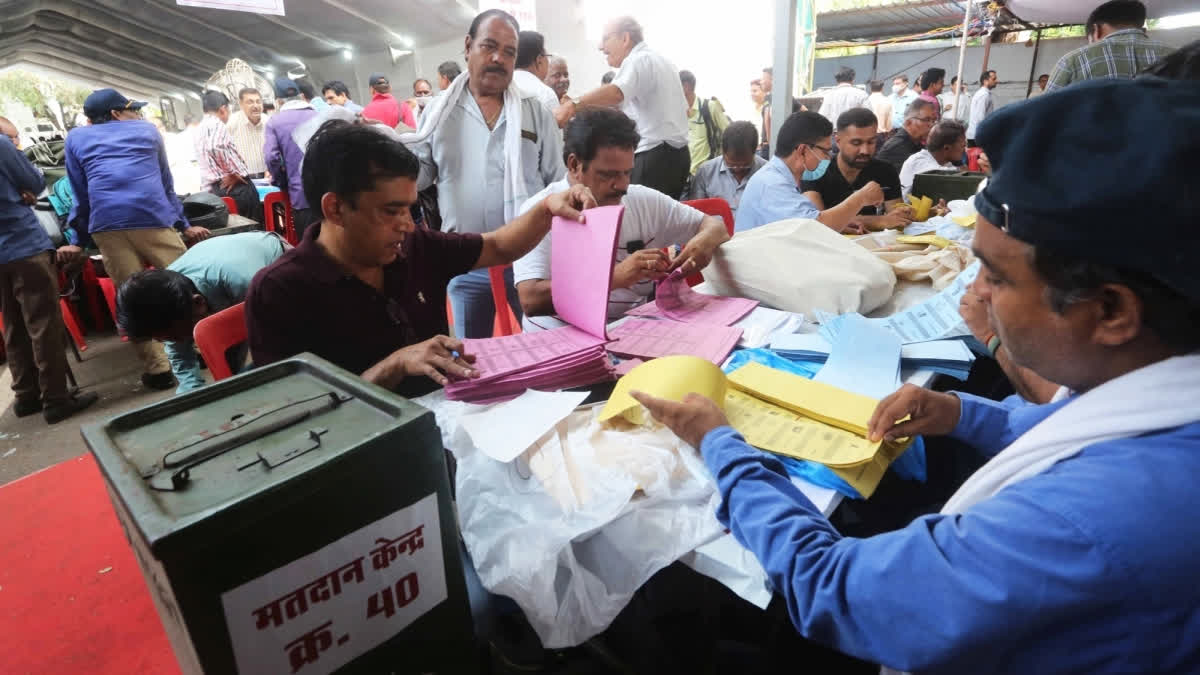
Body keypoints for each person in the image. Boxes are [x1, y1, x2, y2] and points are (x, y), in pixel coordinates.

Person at [630, 77, 1200, 675]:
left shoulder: (1085, 522)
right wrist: (960, 412)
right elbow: (1066, 425)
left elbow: (833, 587)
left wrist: (720, 444)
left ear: (1110, 312)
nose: (974, 293)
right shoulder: (1160, 399)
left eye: (997, 278)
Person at [245, 121, 594, 398]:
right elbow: (300, 418)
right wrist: (395, 365)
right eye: (391, 211)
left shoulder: (415, 248)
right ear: (335, 208)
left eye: (410, 209)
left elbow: (499, 247)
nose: (407, 225)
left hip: (446, 422)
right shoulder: (280, 291)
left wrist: (548, 209)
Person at [405, 9, 564, 339]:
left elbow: (556, 181)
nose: (498, 58)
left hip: (528, 259)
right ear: (468, 46)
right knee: (470, 361)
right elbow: (418, 179)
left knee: (546, 347)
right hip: (465, 261)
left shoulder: (534, 112)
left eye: (509, 52)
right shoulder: (438, 112)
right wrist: (390, 149)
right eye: (489, 46)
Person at [513, 107, 729, 326]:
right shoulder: (543, 210)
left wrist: (704, 242)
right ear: (575, 165)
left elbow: (715, 226)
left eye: (627, 172)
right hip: (559, 337)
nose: (622, 185)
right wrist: (615, 277)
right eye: (608, 175)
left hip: (628, 330)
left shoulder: (642, 201)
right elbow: (531, 300)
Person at [67, 89, 210, 391]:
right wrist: (183, 224)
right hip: (152, 218)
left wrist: (77, 239)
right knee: (187, 281)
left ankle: (158, 370)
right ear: (117, 113)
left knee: (130, 298)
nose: (138, 116)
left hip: (107, 225)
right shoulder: (147, 131)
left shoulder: (75, 139)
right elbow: (165, 182)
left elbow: (81, 195)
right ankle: (203, 347)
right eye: (133, 110)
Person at [0, 116, 98, 423]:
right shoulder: (1, 145)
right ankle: (55, 398)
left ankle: (26, 395)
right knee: (43, 323)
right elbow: (35, 182)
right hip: (22, 243)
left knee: (13, 323)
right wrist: (23, 190)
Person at [116, 232, 289, 393]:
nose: (174, 342)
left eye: (175, 336)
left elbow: (279, 342)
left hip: (273, 256)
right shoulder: (170, 302)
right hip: (217, 261)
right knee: (227, 362)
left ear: (198, 303)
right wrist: (192, 395)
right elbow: (180, 355)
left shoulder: (248, 283)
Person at [559, 17, 690, 198]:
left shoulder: (637, 60)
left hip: (653, 157)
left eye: (606, 39)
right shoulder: (664, 63)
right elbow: (686, 110)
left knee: (639, 218)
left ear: (625, 38)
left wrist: (572, 106)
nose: (600, 46)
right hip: (678, 157)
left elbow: (616, 93)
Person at [736, 111, 883, 233]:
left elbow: (808, 219)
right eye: (825, 151)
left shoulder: (781, 178)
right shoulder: (771, 184)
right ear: (803, 150)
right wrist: (860, 198)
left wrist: (842, 224)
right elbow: (815, 229)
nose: (827, 158)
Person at [803, 108, 909, 231]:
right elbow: (818, 223)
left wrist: (906, 213)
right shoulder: (815, 171)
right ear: (837, 141)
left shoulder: (885, 171)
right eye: (856, 143)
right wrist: (880, 220)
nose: (865, 150)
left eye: (871, 142)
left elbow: (897, 219)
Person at [1047, 0, 1173, 91]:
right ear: (1143, 30)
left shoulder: (1072, 62)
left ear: (1097, 30)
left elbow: (1043, 116)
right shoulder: (1178, 57)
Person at [195, 90, 263, 223]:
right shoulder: (217, 124)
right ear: (223, 109)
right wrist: (231, 172)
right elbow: (215, 146)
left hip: (219, 188)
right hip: (236, 188)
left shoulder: (200, 127)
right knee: (252, 226)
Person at [264, 77, 320, 238]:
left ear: (278, 101)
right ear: (300, 96)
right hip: (329, 195)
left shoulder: (275, 122)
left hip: (301, 196)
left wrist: (282, 181)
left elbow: (271, 157)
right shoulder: (320, 115)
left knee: (311, 250)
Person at [685, 121, 766, 221]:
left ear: (755, 152)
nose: (738, 169)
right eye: (732, 165)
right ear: (723, 151)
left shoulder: (766, 172)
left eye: (745, 165)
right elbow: (696, 213)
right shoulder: (706, 172)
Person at [899, 119, 966, 199]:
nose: (964, 150)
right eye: (963, 146)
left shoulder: (943, 162)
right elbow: (960, 179)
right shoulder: (920, 162)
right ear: (947, 148)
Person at [680, 70, 730, 176]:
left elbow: (730, 135)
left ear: (686, 87)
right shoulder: (676, 111)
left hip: (708, 173)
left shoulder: (710, 107)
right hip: (685, 174)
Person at [875, 98, 936, 172]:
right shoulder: (897, 147)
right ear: (908, 123)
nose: (932, 125)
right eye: (927, 120)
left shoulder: (916, 144)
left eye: (934, 120)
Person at [513, 31, 561, 115]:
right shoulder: (545, 94)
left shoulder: (503, 88)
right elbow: (553, 127)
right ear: (539, 60)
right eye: (547, 56)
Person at [225, 88, 267, 178]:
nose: (255, 106)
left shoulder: (269, 121)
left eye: (258, 101)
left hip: (267, 174)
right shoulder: (232, 122)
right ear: (241, 104)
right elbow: (226, 151)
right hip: (243, 176)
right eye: (250, 102)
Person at [967, 70, 998, 147]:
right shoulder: (984, 95)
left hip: (976, 134)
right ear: (985, 81)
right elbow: (980, 118)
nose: (997, 81)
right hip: (978, 136)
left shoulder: (984, 93)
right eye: (994, 79)